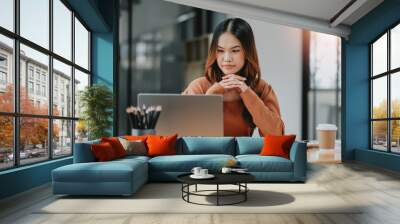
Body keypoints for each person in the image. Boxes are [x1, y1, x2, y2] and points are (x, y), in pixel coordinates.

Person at [182, 18, 285, 137]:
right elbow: (186, 137)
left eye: (235, 50)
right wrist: (211, 95)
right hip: (206, 155)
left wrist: (247, 92)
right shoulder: (199, 86)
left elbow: (276, 135)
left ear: (247, 52)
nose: (227, 58)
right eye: (220, 51)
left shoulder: (260, 87)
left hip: (242, 155)